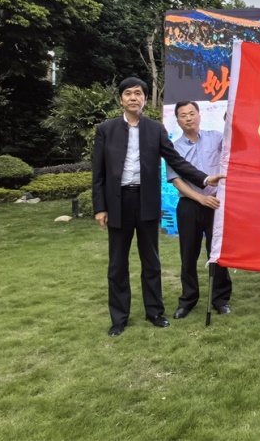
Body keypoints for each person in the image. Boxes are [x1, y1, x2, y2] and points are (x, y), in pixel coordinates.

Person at [92, 78, 224, 338]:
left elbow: (176, 160)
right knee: (117, 263)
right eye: (128, 93)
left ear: (144, 99)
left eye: (138, 93)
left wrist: (204, 179)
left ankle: (154, 312)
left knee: (151, 261)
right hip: (118, 202)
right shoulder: (105, 129)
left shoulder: (155, 129)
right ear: (121, 99)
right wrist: (100, 208)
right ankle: (119, 318)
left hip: (146, 201)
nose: (133, 97)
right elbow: (98, 172)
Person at [166, 101, 232, 320]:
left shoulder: (215, 138)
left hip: (216, 204)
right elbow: (176, 181)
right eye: (183, 115)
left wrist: (230, 117)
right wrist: (200, 199)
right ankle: (188, 299)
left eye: (192, 113)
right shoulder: (174, 148)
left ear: (199, 115)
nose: (188, 118)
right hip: (190, 204)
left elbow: (232, 142)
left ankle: (220, 299)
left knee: (217, 252)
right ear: (177, 120)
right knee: (188, 254)